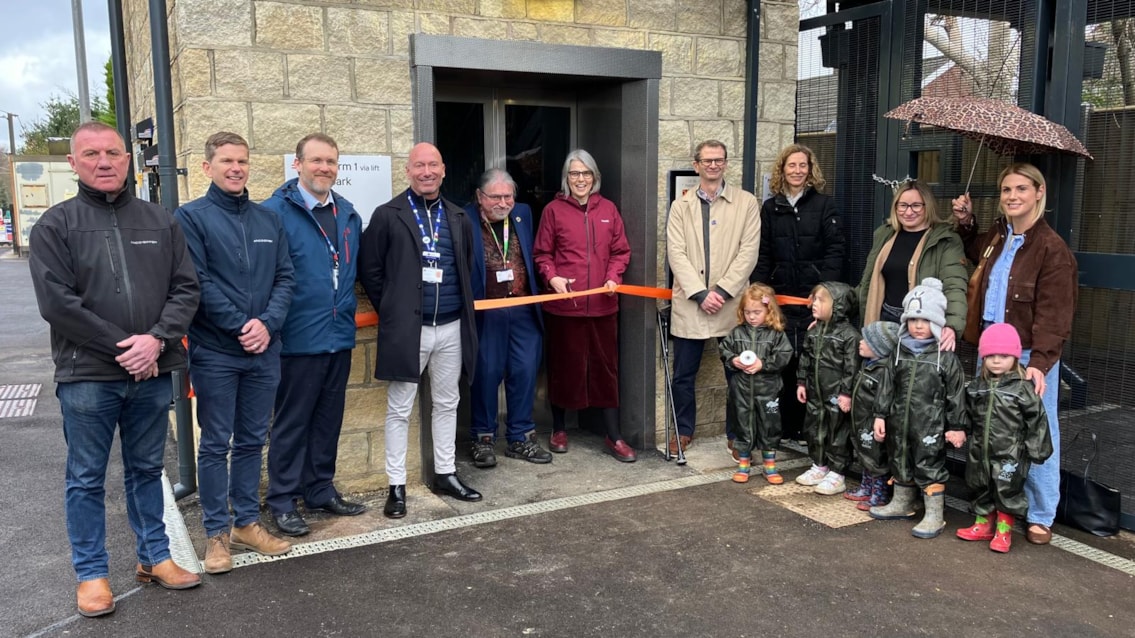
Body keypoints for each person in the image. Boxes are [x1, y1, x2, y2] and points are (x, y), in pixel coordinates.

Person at [29, 121, 202, 616]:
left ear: (128, 160)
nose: (103, 162)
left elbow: (185, 288)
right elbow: (58, 305)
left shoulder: (160, 222)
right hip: (88, 377)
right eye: (91, 154)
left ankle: (154, 557)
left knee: (148, 471)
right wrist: (126, 347)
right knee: (85, 477)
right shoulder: (55, 226)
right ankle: (91, 575)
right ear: (74, 163)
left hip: (152, 371)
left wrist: (156, 341)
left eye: (112, 153)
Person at [175, 132, 296, 573]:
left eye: (242, 161)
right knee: (214, 444)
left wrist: (266, 324)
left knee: (251, 440)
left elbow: (286, 278)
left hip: (264, 351)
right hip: (216, 352)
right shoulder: (190, 217)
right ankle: (216, 535)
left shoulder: (269, 220)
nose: (236, 168)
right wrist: (240, 326)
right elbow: (197, 283)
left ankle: (246, 523)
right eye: (226, 161)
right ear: (208, 167)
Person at [952, 162, 1078, 546]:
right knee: (990, 430)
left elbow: (1055, 315)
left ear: (1039, 192)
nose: (1012, 196)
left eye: (1021, 189)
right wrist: (967, 222)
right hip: (990, 348)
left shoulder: (1052, 249)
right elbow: (978, 255)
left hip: (1027, 354)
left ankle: (1040, 514)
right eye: (1006, 190)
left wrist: (1039, 363)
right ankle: (990, 508)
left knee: (1038, 430)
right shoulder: (999, 234)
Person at [358, 142, 482, 519]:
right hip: (408, 330)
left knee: (448, 403)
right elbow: (370, 271)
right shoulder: (387, 215)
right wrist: (395, 310)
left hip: (451, 327)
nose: (426, 172)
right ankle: (396, 484)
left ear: (443, 170)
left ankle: (445, 473)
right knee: (400, 409)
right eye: (419, 166)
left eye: (433, 165)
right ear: (408, 171)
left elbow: (467, 267)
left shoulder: (458, 216)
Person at [261, 133, 366, 538]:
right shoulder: (274, 213)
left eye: (331, 162)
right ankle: (283, 500)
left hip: (338, 336)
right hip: (296, 339)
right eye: (316, 161)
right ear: (298, 165)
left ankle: (320, 489)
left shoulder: (348, 214)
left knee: (328, 420)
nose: (324, 168)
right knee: (291, 422)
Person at [533, 149, 634, 462]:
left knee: (607, 370)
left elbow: (620, 251)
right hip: (565, 308)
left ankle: (613, 435)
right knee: (565, 368)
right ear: (567, 177)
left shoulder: (609, 209)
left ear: (595, 177)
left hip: (603, 306)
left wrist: (613, 276)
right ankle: (559, 428)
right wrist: (552, 279)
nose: (580, 179)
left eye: (585, 173)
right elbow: (542, 255)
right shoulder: (553, 210)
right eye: (574, 173)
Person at [665, 140, 761, 454]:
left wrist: (720, 292)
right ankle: (683, 432)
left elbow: (748, 252)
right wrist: (701, 293)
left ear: (726, 163)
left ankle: (737, 435)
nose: (713, 165)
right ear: (696, 165)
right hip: (692, 305)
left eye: (718, 160)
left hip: (730, 304)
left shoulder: (746, 203)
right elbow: (675, 254)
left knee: (737, 373)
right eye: (707, 160)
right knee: (683, 377)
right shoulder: (681, 206)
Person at [751, 143, 845, 449]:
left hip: (812, 298)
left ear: (810, 169)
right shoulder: (770, 208)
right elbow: (764, 253)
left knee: (810, 361)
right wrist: (760, 289)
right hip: (780, 299)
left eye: (802, 165)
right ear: (782, 169)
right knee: (783, 362)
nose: (797, 171)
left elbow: (835, 250)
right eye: (791, 165)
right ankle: (785, 428)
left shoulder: (824, 205)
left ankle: (807, 430)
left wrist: (824, 291)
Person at [466, 169, 552, 468]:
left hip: (523, 310)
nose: (503, 203)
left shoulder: (523, 214)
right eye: (496, 197)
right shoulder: (464, 219)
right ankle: (483, 437)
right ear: (480, 197)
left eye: (508, 196)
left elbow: (538, 254)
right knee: (486, 374)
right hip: (486, 311)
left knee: (525, 372)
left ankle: (520, 437)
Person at [869, 278, 966, 539]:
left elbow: (957, 394)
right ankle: (903, 501)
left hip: (930, 425)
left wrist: (957, 426)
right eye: (913, 320)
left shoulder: (945, 357)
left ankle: (934, 513)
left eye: (924, 320)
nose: (918, 326)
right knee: (899, 458)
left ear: (936, 322)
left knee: (929, 463)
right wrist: (880, 415)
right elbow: (887, 385)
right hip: (899, 422)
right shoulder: (899, 351)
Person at [956, 323, 1052, 553]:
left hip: (1010, 453)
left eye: (1004, 355)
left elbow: (1037, 420)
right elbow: (966, 413)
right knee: (980, 484)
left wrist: (1037, 449)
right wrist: (959, 429)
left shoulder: (1022, 389)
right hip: (980, 449)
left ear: (1015, 357)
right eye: (990, 356)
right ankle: (983, 524)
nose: (997, 360)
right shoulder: (977, 387)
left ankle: (1003, 529)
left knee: (1007, 488)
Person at [857, 180, 967, 351]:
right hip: (883, 321)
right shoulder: (884, 235)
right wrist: (832, 303)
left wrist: (952, 325)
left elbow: (955, 286)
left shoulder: (946, 239)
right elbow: (866, 284)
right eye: (903, 205)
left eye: (916, 205)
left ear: (927, 206)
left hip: (921, 326)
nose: (908, 211)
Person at [717, 283, 794, 484]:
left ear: (769, 310)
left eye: (757, 312)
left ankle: (770, 464)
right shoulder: (737, 333)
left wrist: (763, 364)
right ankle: (744, 463)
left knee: (770, 425)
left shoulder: (776, 334)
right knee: (742, 424)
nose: (751, 316)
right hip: (741, 389)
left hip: (768, 389)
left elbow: (785, 355)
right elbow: (724, 349)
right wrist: (733, 360)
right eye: (747, 312)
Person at [794, 281, 859, 495]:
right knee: (814, 429)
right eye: (814, 299)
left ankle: (837, 473)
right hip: (816, 392)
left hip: (836, 396)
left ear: (839, 305)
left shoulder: (849, 336)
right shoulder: (814, 332)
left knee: (838, 431)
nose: (814, 304)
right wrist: (801, 382)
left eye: (821, 300)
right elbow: (805, 358)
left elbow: (852, 367)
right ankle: (819, 465)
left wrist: (846, 393)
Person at [846, 321, 899, 511]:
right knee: (865, 455)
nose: (860, 342)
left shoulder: (884, 370)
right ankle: (866, 487)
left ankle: (880, 494)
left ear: (879, 347)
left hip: (873, 420)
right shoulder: (866, 364)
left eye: (866, 341)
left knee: (877, 458)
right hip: (861, 419)